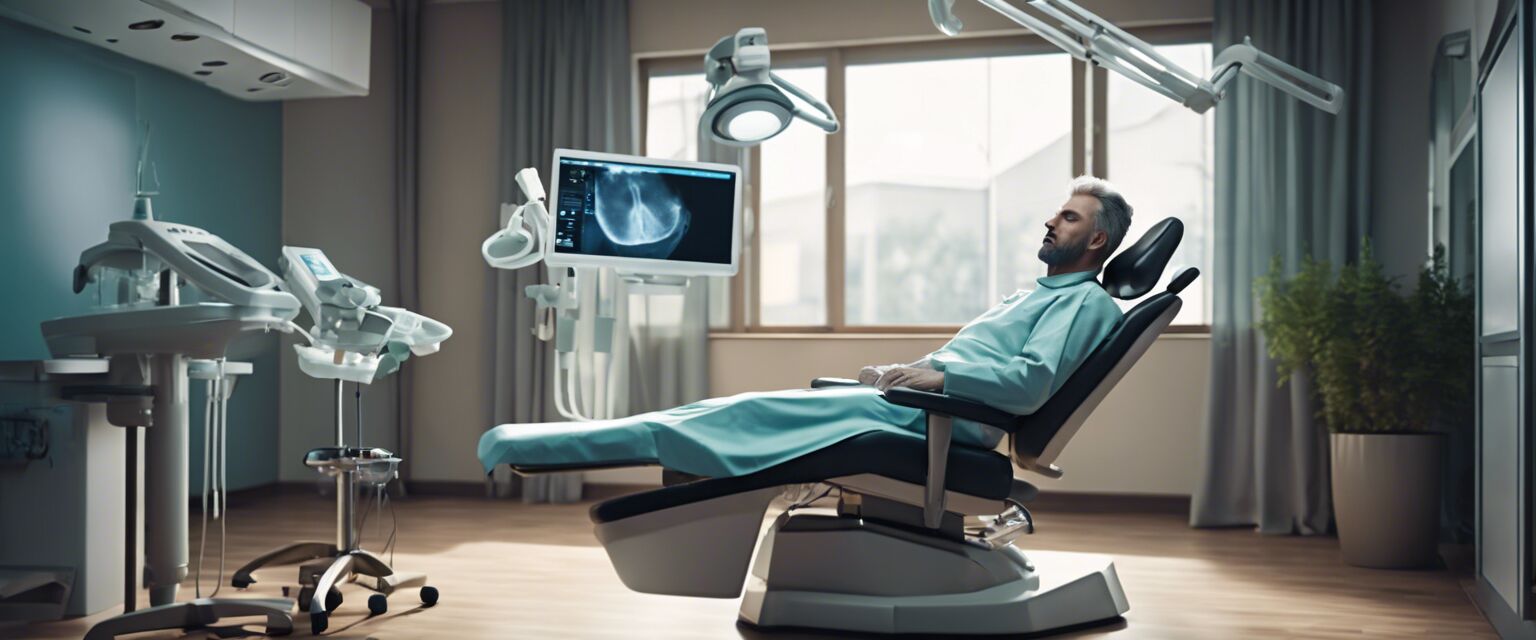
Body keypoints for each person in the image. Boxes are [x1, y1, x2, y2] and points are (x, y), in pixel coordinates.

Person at [478, 176, 1133, 479]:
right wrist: (916, 373)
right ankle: (620, 435)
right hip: (926, 404)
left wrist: (940, 374)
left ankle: (594, 441)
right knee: (738, 407)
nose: (1052, 222)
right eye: (1056, 213)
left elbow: (1028, 384)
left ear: (1097, 238)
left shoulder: (1088, 305)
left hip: (947, 417)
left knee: (753, 412)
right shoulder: (1038, 295)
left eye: (1070, 219)